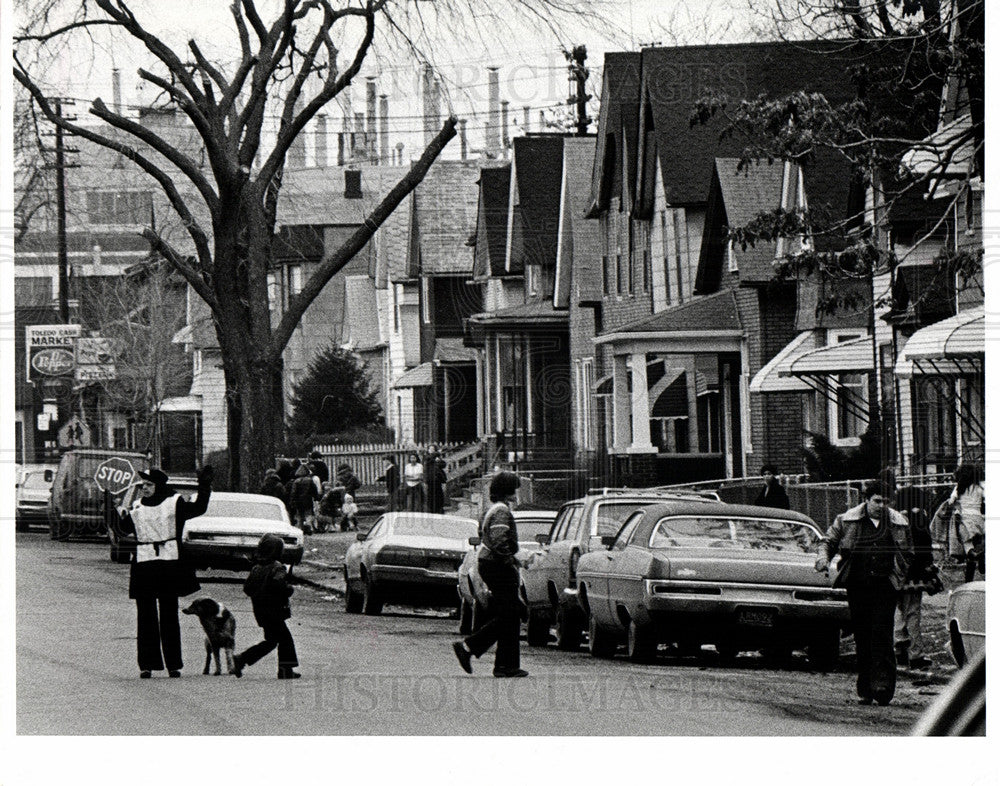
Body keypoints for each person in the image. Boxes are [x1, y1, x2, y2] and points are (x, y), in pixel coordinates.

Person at [815, 482, 913, 706]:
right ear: (866, 500)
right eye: (877, 501)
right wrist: (823, 559)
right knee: (862, 635)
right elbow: (828, 540)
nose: (881, 506)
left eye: (886, 502)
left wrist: (902, 572)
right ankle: (865, 688)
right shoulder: (847, 519)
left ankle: (884, 687)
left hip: (885, 584)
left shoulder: (898, 522)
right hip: (858, 584)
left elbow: (908, 551)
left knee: (882, 633)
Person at [120, 465, 213, 678]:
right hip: (144, 565)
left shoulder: (174, 503)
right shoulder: (137, 507)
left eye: (149, 485)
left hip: (168, 564)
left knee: (169, 614)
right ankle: (147, 664)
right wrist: (109, 507)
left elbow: (198, 508)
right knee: (145, 616)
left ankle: (173, 664)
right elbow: (123, 528)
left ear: (159, 486)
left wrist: (205, 486)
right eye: (143, 485)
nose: (144, 488)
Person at [452, 470, 528, 678]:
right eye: (516, 489)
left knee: (509, 614)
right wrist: (510, 560)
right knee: (509, 613)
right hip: (496, 565)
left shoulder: (496, 509)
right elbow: (499, 540)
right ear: (508, 492)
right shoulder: (501, 511)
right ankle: (469, 647)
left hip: (492, 563)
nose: (518, 494)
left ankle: (506, 665)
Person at [232, 534, 299, 680]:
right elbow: (279, 586)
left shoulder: (256, 568)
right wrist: (289, 590)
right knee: (285, 640)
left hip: (261, 611)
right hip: (275, 610)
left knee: (272, 641)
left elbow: (247, 588)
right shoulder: (277, 567)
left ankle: (243, 659)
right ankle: (285, 670)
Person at [893, 484, 937, 669]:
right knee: (913, 612)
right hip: (915, 573)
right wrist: (928, 567)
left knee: (899, 610)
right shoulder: (920, 518)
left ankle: (899, 648)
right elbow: (924, 546)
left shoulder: (895, 518)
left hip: (897, 572)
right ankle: (915, 654)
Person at [931, 465, 985, 582]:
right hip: (979, 520)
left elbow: (951, 501)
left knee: (967, 544)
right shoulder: (981, 487)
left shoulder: (959, 488)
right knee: (978, 544)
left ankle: (969, 578)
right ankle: (981, 560)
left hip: (964, 519)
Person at [289, 464, 319, 533]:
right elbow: (314, 490)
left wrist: (292, 502)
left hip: (298, 501)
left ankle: (301, 529)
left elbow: (293, 493)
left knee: (300, 515)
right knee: (308, 514)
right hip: (308, 500)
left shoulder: (296, 481)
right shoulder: (309, 480)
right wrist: (316, 497)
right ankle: (309, 527)